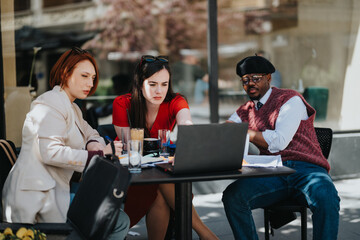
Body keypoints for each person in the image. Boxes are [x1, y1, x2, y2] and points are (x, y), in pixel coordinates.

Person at [2, 47, 129, 239]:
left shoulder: (72, 108)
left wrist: (94, 144)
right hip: (36, 202)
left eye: (93, 78)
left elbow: (91, 133)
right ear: (65, 73)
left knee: (116, 216)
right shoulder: (49, 103)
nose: (90, 83)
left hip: (55, 192)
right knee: (116, 220)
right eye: (84, 76)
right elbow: (51, 152)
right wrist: (99, 153)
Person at [222, 55, 340, 240]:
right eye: (245, 80)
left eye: (255, 78)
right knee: (233, 197)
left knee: (326, 196)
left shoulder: (289, 99)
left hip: (305, 169)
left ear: (268, 77)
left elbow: (279, 142)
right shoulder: (247, 109)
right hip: (272, 172)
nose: (250, 84)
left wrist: (245, 132)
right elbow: (227, 129)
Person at [112, 55, 218, 240]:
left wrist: (188, 133)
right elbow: (131, 145)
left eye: (164, 84)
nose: (159, 90)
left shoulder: (176, 101)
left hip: (159, 173)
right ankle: (206, 234)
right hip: (131, 170)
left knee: (160, 192)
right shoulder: (122, 103)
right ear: (140, 83)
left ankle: (205, 235)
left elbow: (186, 122)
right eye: (152, 84)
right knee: (162, 181)